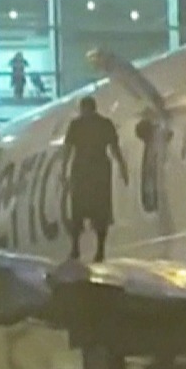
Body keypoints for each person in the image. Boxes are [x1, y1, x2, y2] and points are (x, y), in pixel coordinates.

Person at [61, 96, 129, 262]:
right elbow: (115, 148)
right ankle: (93, 249)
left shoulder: (78, 125)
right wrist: (122, 167)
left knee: (85, 211)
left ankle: (82, 248)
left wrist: (64, 171)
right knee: (96, 211)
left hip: (86, 170)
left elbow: (68, 150)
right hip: (97, 170)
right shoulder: (103, 124)